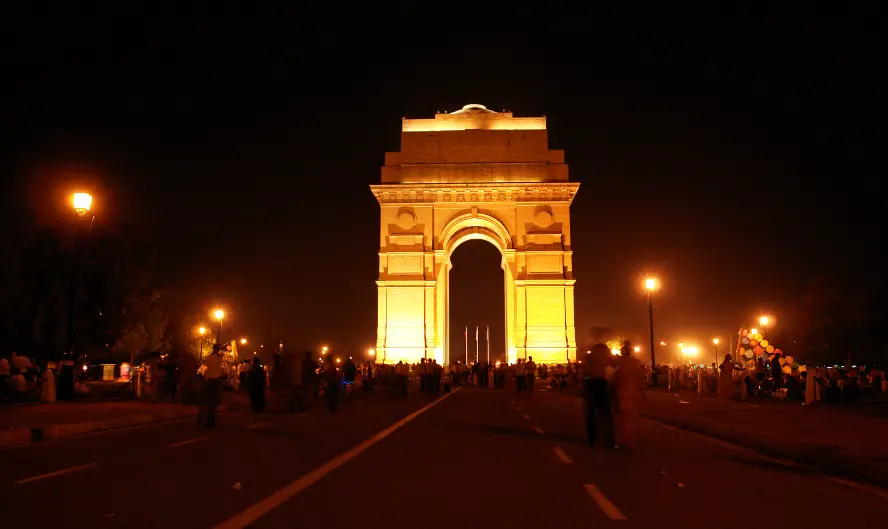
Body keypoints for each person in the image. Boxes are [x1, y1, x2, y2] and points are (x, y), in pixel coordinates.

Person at [612, 341, 644, 448]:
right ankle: (630, 440)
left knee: (622, 417)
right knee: (631, 417)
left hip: (622, 392)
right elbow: (640, 378)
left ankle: (623, 440)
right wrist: (642, 392)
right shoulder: (635, 362)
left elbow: (614, 380)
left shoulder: (619, 364)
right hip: (633, 392)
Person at [582, 344, 614, 448]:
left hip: (590, 382)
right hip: (601, 382)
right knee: (605, 412)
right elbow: (610, 364)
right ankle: (609, 440)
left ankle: (592, 439)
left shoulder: (588, 357)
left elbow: (584, 368)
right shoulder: (603, 358)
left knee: (590, 412)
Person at [202, 345, 224, 428]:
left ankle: (206, 420)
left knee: (208, 401)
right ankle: (210, 421)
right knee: (213, 402)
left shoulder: (208, 358)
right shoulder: (219, 359)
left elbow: (204, 368)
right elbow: (222, 370)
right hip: (215, 381)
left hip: (208, 380)